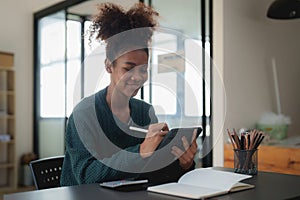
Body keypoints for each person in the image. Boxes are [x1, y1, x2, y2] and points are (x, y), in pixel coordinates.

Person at [60, 2, 198, 187]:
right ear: (109, 66)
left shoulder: (145, 112)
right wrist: (140, 151)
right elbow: (85, 175)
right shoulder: (83, 114)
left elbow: (152, 170)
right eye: (128, 68)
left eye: (143, 70)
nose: (137, 77)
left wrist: (183, 164)